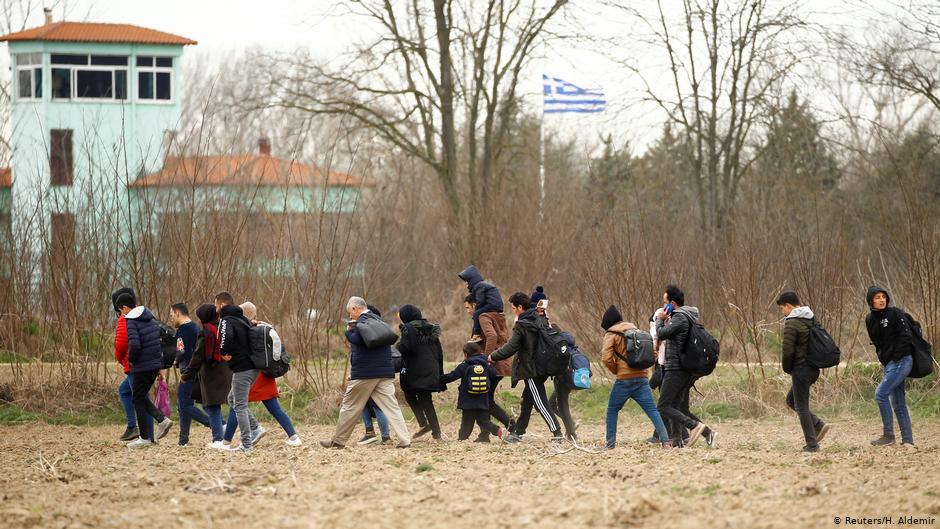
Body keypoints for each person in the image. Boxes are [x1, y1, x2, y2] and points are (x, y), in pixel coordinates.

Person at [319, 297, 411, 449]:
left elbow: (359, 340)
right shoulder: (378, 320)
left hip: (365, 373)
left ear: (355, 309)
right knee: (391, 407)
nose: (350, 316)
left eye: (350, 312)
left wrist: (348, 333)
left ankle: (338, 441)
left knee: (350, 405)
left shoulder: (361, 322)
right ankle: (405, 439)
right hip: (385, 371)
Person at [223, 302, 302, 447]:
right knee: (273, 408)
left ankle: (227, 441)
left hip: (253, 374)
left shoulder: (247, 330)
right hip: (265, 373)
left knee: (237, 404)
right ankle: (294, 437)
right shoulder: (263, 327)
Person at [489, 292, 563, 443]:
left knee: (540, 402)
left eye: (513, 308)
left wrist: (492, 356)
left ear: (520, 307)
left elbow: (511, 347)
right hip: (543, 366)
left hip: (531, 369)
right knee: (527, 400)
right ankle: (518, 433)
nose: (512, 311)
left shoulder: (523, 324)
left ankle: (557, 433)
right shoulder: (539, 317)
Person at [601, 305, 672, 449]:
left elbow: (606, 358)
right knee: (652, 410)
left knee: (612, 409)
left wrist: (617, 370)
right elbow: (652, 352)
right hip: (642, 377)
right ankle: (665, 441)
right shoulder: (635, 330)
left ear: (608, 323)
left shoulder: (611, 334)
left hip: (623, 380)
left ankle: (610, 444)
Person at [655, 285, 716, 448]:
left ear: (672, 303)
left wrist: (660, 318)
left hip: (676, 369)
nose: (662, 306)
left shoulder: (680, 318)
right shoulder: (683, 317)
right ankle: (681, 440)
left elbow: (660, 333)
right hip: (681, 368)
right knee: (675, 405)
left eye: (664, 303)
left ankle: (695, 426)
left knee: (663, 405)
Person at [776, 291, 831, 452]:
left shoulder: (792, 322)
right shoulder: (810, 317)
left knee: (801, 406)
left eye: (782, 309)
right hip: (814, 368)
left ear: (788, 306)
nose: (783, 313)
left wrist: (787, 368)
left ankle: (812, 444)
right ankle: (818, 425)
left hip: (801, 369)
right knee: (791, 400)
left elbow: (787, 351)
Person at [118, 294, 173, 448]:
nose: (121, 314)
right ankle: (161, 420)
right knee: (140, 397)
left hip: (142, 365)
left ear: (125, 308)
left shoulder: (132, 321)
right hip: (155, 363)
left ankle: (145, 437)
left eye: (121, 310)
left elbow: (134, 345)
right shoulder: (149, 317)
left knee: (137, 399)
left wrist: (132, 360)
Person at [866, 286, 915, 446]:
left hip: (902, 360)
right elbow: (877, 343)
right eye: (877, 297)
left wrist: (896, 356)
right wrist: (885, 360)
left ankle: (888, 435)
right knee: (898, 402)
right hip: (888, 364)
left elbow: (906, 336)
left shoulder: (895, 313)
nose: (881, 300)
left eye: (883, 297)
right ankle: (908, 441)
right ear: (871, 301)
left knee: (881, 394)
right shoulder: (870, 319)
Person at [182, 303, 232, 450]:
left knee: (211, 405)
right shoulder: (224, 327)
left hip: (211, 373)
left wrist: (186, 375)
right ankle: (223, 429)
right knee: (212, 404)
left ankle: (218, 438)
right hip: (226, 370)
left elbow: (198, 356)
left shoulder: (206, 331)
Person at [464, 294, 513, 436]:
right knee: (485, 399)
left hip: (493, 365)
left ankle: (511, 426)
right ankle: (484, 434)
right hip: (500, 363)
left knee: (486, 401)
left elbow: (492, 337)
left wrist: (485, 359)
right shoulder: (496, 315)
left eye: (468, 307)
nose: (467, 311)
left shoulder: (483, 317)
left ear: (475, 305)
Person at [216, 291, 257, 452]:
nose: (215, 308)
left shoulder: (226, 320)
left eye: (215, 305)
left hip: (242, 367)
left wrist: (223, 352)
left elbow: (226, 338)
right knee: (232, 398)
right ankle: (255, 427)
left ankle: (247, 444)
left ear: (222, 305)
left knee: (239, 405)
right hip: (252, 367)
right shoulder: (242, 318)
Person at [396, 304, 444, 440]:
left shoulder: (408, 329)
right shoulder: (431, 329)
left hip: (415, 370)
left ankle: (424, 423)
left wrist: (397, 346)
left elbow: (406, 348)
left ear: (406, 317)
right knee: (426, 399)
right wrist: (439, 370)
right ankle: (436, 433)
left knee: (409, 394)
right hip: (431, 369)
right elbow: (439, 352)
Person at [111, 287, 152, 442]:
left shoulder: (125, 319)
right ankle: (135, 427)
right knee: (126, 391)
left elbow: (121, 344)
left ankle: (145, 432)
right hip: (147, 362)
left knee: (141, 398)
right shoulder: (146, 316)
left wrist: (120, 358)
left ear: (122, 307)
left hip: (134, 365)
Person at [441, 341, 503, 441]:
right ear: (479, 351)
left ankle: (462, 438)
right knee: (483, 421)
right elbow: (493, 374)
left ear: (466, 354)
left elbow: (452, 376)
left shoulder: (465, 365)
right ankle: (496, 430)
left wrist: (439, 379)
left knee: (467, 422)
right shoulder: (485, 364)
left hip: (468, 401)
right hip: (483, 399)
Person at [169, 303, 211, 447]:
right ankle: (183, 439)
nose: (171, 319)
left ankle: (214, 425)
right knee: (184, 405)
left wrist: (176, 361)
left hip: (188, 371)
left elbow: (182, 351)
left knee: (184, 404)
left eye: (171, 315)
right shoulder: (195, 327)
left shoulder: (182, 331)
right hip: (198, 370)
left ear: (178, 314)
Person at [458, 265, 504, 339]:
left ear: (471, 280)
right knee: (478, 313)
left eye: (467, 281)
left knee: (476, 313)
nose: (466, 283)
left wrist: (476, 310)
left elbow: (480, 300)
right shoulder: (482, 285)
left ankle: (477, 334)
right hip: (496, 305)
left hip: (492, 305)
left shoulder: (479, 286)